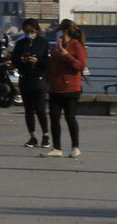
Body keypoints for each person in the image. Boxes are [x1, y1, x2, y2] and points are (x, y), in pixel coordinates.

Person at [43, 19, 86, 158]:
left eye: (60, 31)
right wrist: (47, 78)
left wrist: (67, 56)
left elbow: (80, 65)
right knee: (54, 117)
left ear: (65, 31)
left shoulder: (76, 45)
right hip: (55, 87)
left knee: (70, 117)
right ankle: (57, 148)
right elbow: (51, 63)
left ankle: (75, 147)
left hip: (71, 88)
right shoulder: (57, 45)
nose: (58, 34)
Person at [11, 18, 50, 148]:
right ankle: (32, 136)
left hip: (39, 79)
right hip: (25, 78)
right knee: (28, 110)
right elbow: (14, 61)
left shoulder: (43, 43)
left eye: (31, 31)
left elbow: (48, 62)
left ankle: (46, 135)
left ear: (37, 30)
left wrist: (37, 61)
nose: (29, 34)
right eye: (26, 31)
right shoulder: (20, 43)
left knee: (40, 109)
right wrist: (22, 59)